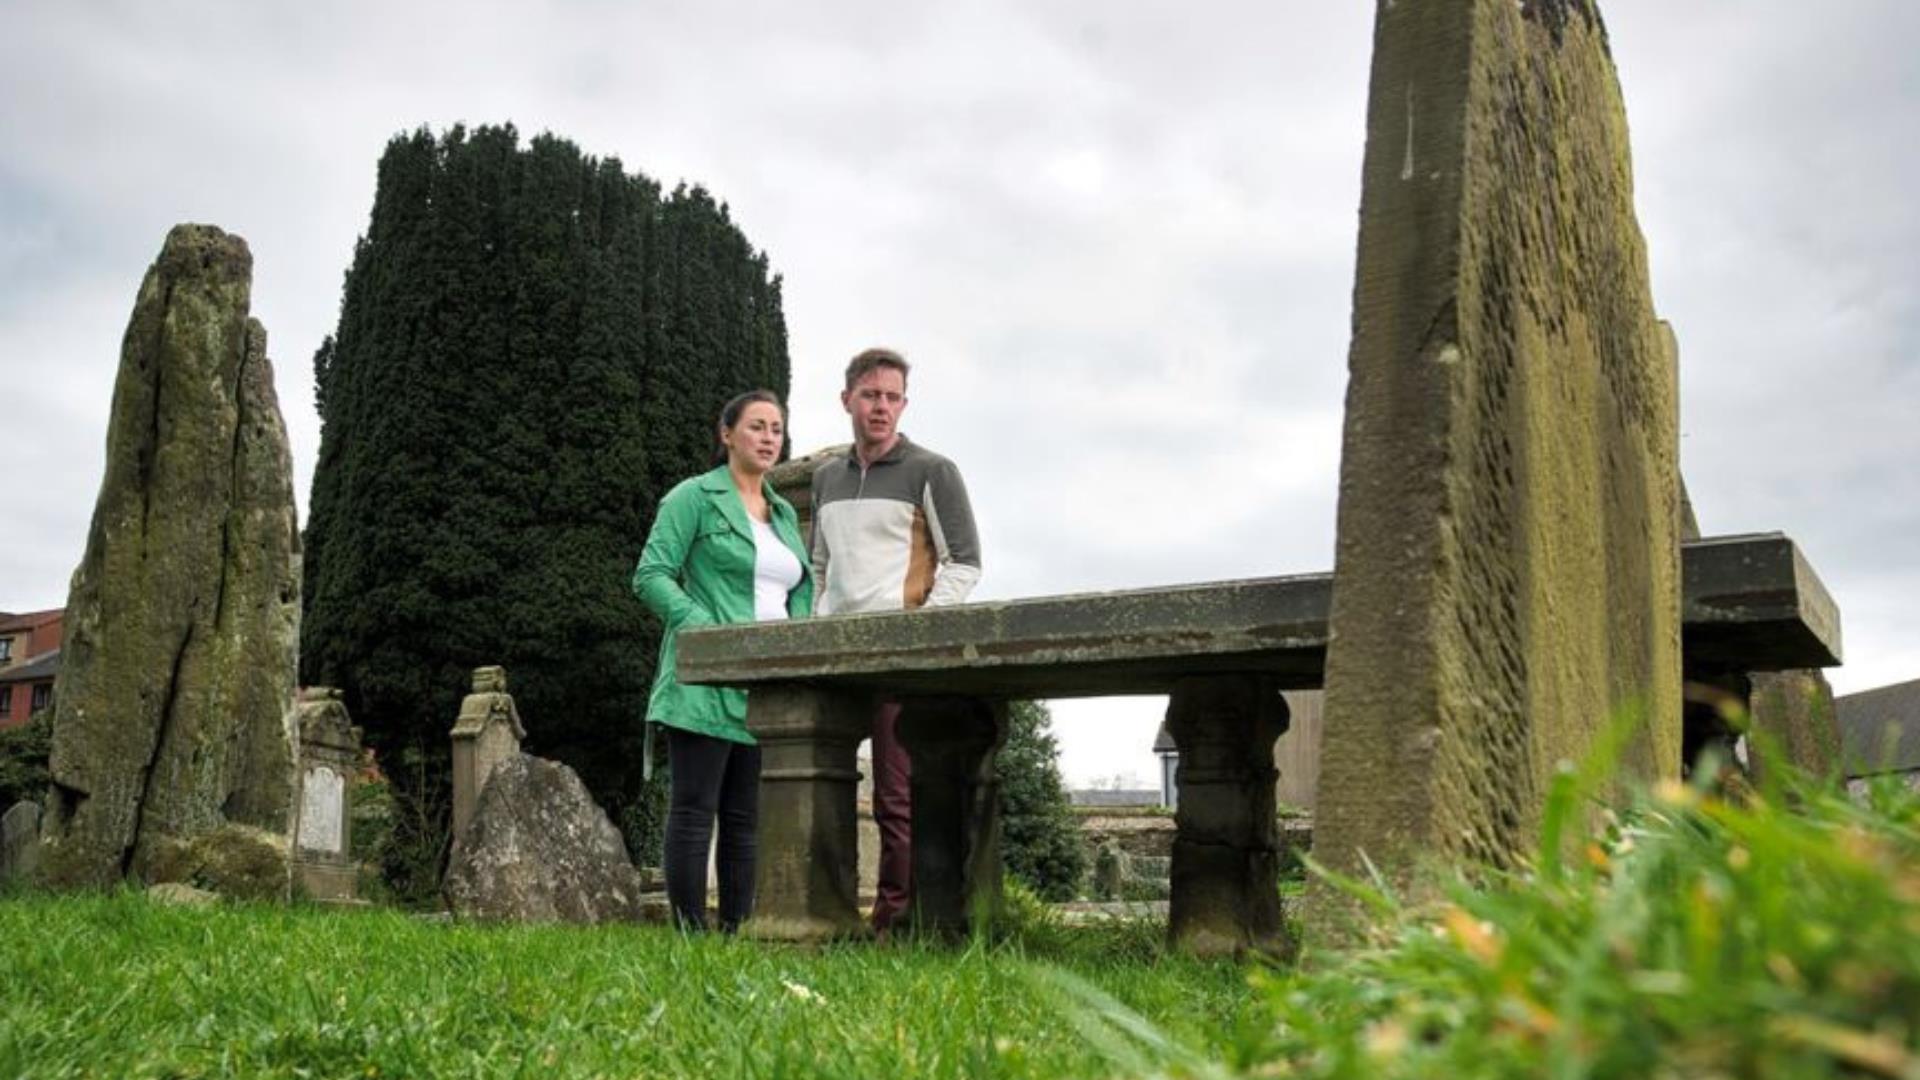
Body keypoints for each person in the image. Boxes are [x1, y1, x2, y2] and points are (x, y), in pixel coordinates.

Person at [809, 347, 981, 935]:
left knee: (896, 798)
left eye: (892, 397)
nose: (881, 406)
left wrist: (920, 633)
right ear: (847, 400)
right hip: (832, 654)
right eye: (870, 395)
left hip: (899, 654)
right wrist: (814, 627)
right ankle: (826, 916)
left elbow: (964, 563)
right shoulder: (826, 477)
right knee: (815, 789)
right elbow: (820, 566)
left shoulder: (932, 470)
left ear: (903, 403)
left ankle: (895, 925)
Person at [633, 390, 813, 932]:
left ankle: (738, 933)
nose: (768, 438)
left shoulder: (782, 512)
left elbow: (799, 589)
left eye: (776, 429)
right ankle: (690, 933)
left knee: (746, 819)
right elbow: (651, 575)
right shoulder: (692, 497)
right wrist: (707, 634)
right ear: (727, 434)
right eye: (756, 426)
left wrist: (796, 649)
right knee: (694, 812)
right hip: (705, 679)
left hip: (765, 685)